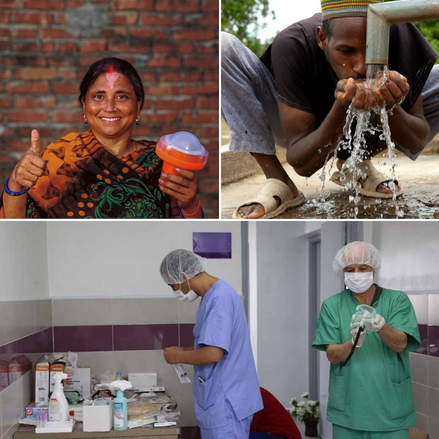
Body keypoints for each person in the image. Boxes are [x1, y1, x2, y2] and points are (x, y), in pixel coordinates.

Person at [221, 0, 439, 219]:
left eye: (372, 51)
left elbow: (416, 140)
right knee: (221, 46)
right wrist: (342, 106)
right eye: (346, 51)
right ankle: (279, 181)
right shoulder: (294, 43)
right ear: (322, 39)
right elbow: (301, 163)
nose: (361, 67)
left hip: (369, 128)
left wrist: (390, 105)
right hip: (298, 130)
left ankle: (355, 161)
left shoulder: (399, 34)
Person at [1, 57, 204, 219]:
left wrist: (190, 205)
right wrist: (16, 184)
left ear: (138, 105)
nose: (109, 107)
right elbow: (16, 232)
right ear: (84, 105)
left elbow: (188, 234)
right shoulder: (58, 158)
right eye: (99, 96)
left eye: (121, 96)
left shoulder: (160, 161)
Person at [312, 241, 420, 439]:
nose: (356, 273)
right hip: (349, 410)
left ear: (374, 269)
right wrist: (353, 342)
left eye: (363, 268)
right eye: (350, 269)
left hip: (390, 411)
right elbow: (332, 355)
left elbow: (401, 344)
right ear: (343, 272)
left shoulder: (397, 300)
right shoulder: (332, 305)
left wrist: (381, 327)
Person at [159, 249, 262, 439]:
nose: (175, 291)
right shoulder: (214, 295)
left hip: (226, 401)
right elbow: (215, 344)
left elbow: (213, 353)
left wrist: (177, 356)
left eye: (172, 285)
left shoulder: (219, 298)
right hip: (223, 398)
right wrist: (185, 350)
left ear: (183, 276)